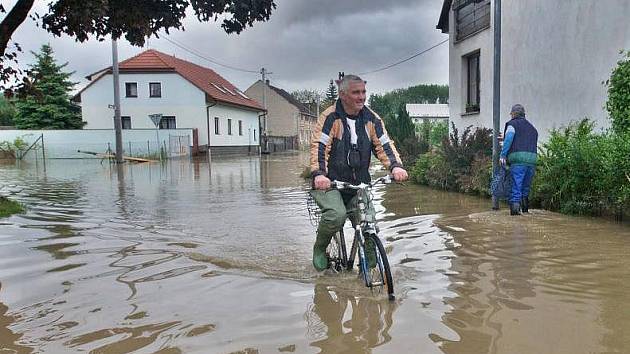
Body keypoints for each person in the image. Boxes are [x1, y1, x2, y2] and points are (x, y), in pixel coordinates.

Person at [309, 74, 408, 271]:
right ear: (343, 94)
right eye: (356, 92)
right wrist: (319, 174)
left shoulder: (372, 119)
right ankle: (319, 249)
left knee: (369, 221)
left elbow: (384, 145)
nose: (361, 97)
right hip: (330, 183)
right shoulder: (330, 117)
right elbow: (319, 147)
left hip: (359, 184)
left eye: (364, 92)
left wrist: (395, 166)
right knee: (336, 215)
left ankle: (369, 267)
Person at [500, 104, 538, 215]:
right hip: (532, 161)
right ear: (523, 114)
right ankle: (525, 211)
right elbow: (524, 139)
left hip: (518, 161)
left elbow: (509, 139)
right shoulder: (532, 128)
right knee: (525, 188)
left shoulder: (512, 124)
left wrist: (503, 155)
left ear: (513, 114)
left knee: (516, 186)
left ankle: (515, 216)